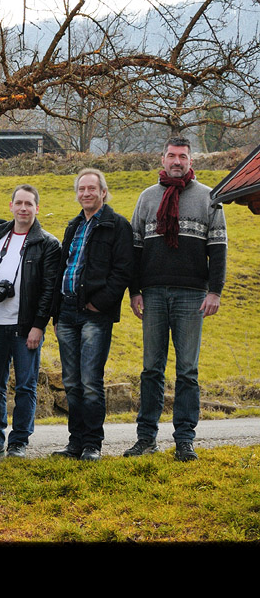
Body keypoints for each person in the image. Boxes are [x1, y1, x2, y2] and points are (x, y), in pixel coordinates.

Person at [124, 136, 227, 461]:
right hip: (153, 294)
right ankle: (146, 438)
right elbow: (135, 250)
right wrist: (135, 291)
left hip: (192, 295)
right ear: (163, 159)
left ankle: (185, 439)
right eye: (172, 155)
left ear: (190, 160)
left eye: (182, 156)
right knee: (151, 369)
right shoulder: (147, 198)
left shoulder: (210, 197)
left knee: (188, 371)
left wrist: (215, 290)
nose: (177, 161)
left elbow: (219, 249)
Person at [0, 184, 61, 460]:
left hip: (25, 327)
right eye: (19, 203)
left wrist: (38, 325)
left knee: (25, 385)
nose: (23, 208)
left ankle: (19, 442)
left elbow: (49, 290)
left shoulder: (47, 243)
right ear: (11, 206)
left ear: (37, 208)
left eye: (29, 204)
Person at [51, 169, 134, 462]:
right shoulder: (73, 226)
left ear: (103, 192)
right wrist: (56, 312)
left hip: (94, 315)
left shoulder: (117, 225)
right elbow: (64, 267)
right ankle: (75, 443)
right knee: (71, 382)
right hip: (67, 312)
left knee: (90, 382)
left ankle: (92, 444)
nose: (86, 193)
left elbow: (123, 269)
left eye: (91, 189)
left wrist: (100, 303)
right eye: (81, 189)